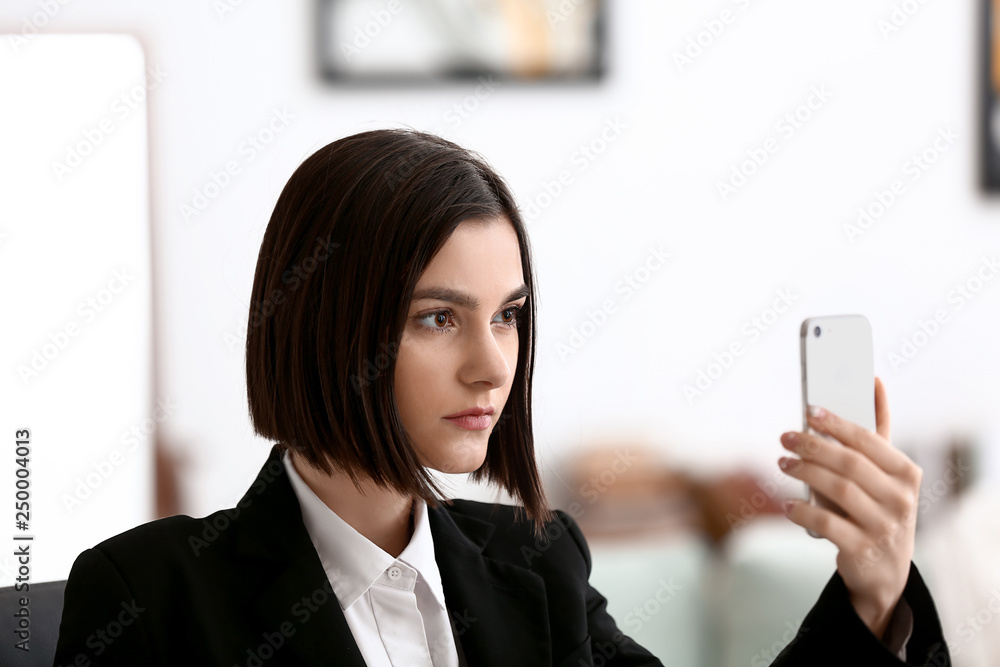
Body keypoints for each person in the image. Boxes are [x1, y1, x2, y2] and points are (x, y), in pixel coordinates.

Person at [53, 129, 951, 666]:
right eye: (439, 318)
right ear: (324, 322)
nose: (494, 365)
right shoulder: (151, 594)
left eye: (510, 316)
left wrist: (871, 595)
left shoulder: (539, 565)